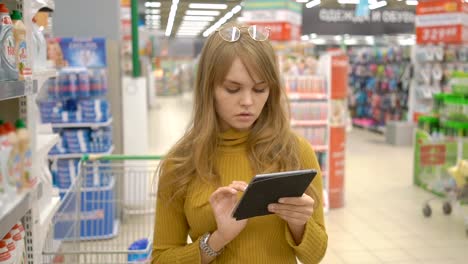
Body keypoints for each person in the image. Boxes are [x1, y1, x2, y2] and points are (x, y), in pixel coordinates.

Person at [152, 23, 328, 264]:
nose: (247, 101)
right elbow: (161, 259)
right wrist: (218, 239)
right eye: (233, 89)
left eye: (259, 89)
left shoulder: (294, 151)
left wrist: (299, 224)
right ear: (208, 88)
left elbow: (315, 256)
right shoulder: (180, 164)